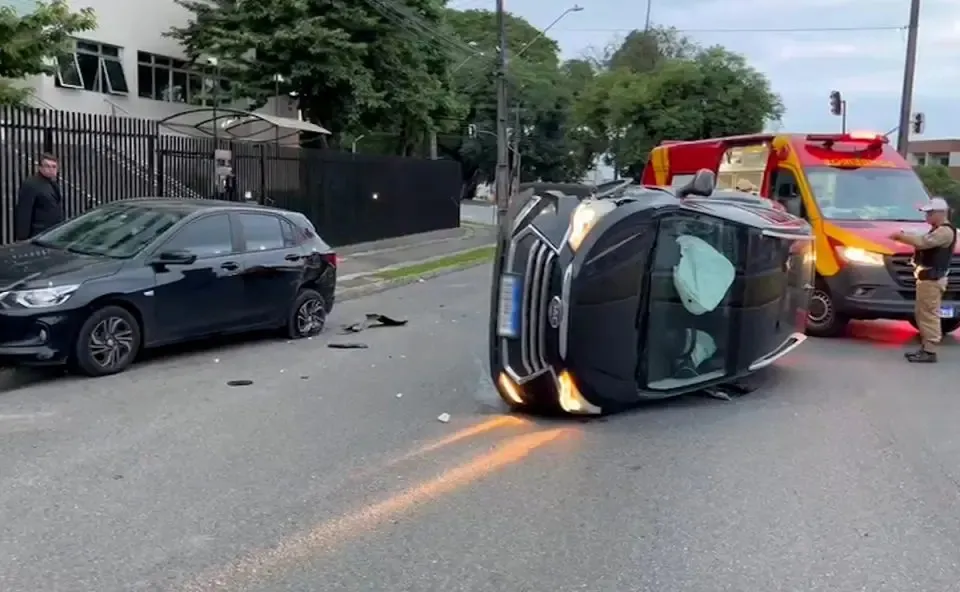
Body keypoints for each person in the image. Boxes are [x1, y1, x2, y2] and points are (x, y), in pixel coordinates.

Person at [890, 197, 957, 363]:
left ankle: (930, 350)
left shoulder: (944, 231)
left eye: (930, 213)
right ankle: (926, 348)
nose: (926, 216)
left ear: (940, 213)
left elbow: (923, 242)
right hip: (927, 279)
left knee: (929, 315)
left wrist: (901, 237)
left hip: (932, 280)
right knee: (923, 314)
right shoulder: (937, 229)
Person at [14, 153, 64, 241]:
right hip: (38, 234)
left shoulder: (53, 184)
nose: (51, 169)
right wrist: (23, 237)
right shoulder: (31, 184)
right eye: (47, 166)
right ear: (40, 168)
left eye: (54, 166)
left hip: (52, 233)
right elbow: (24, 211)